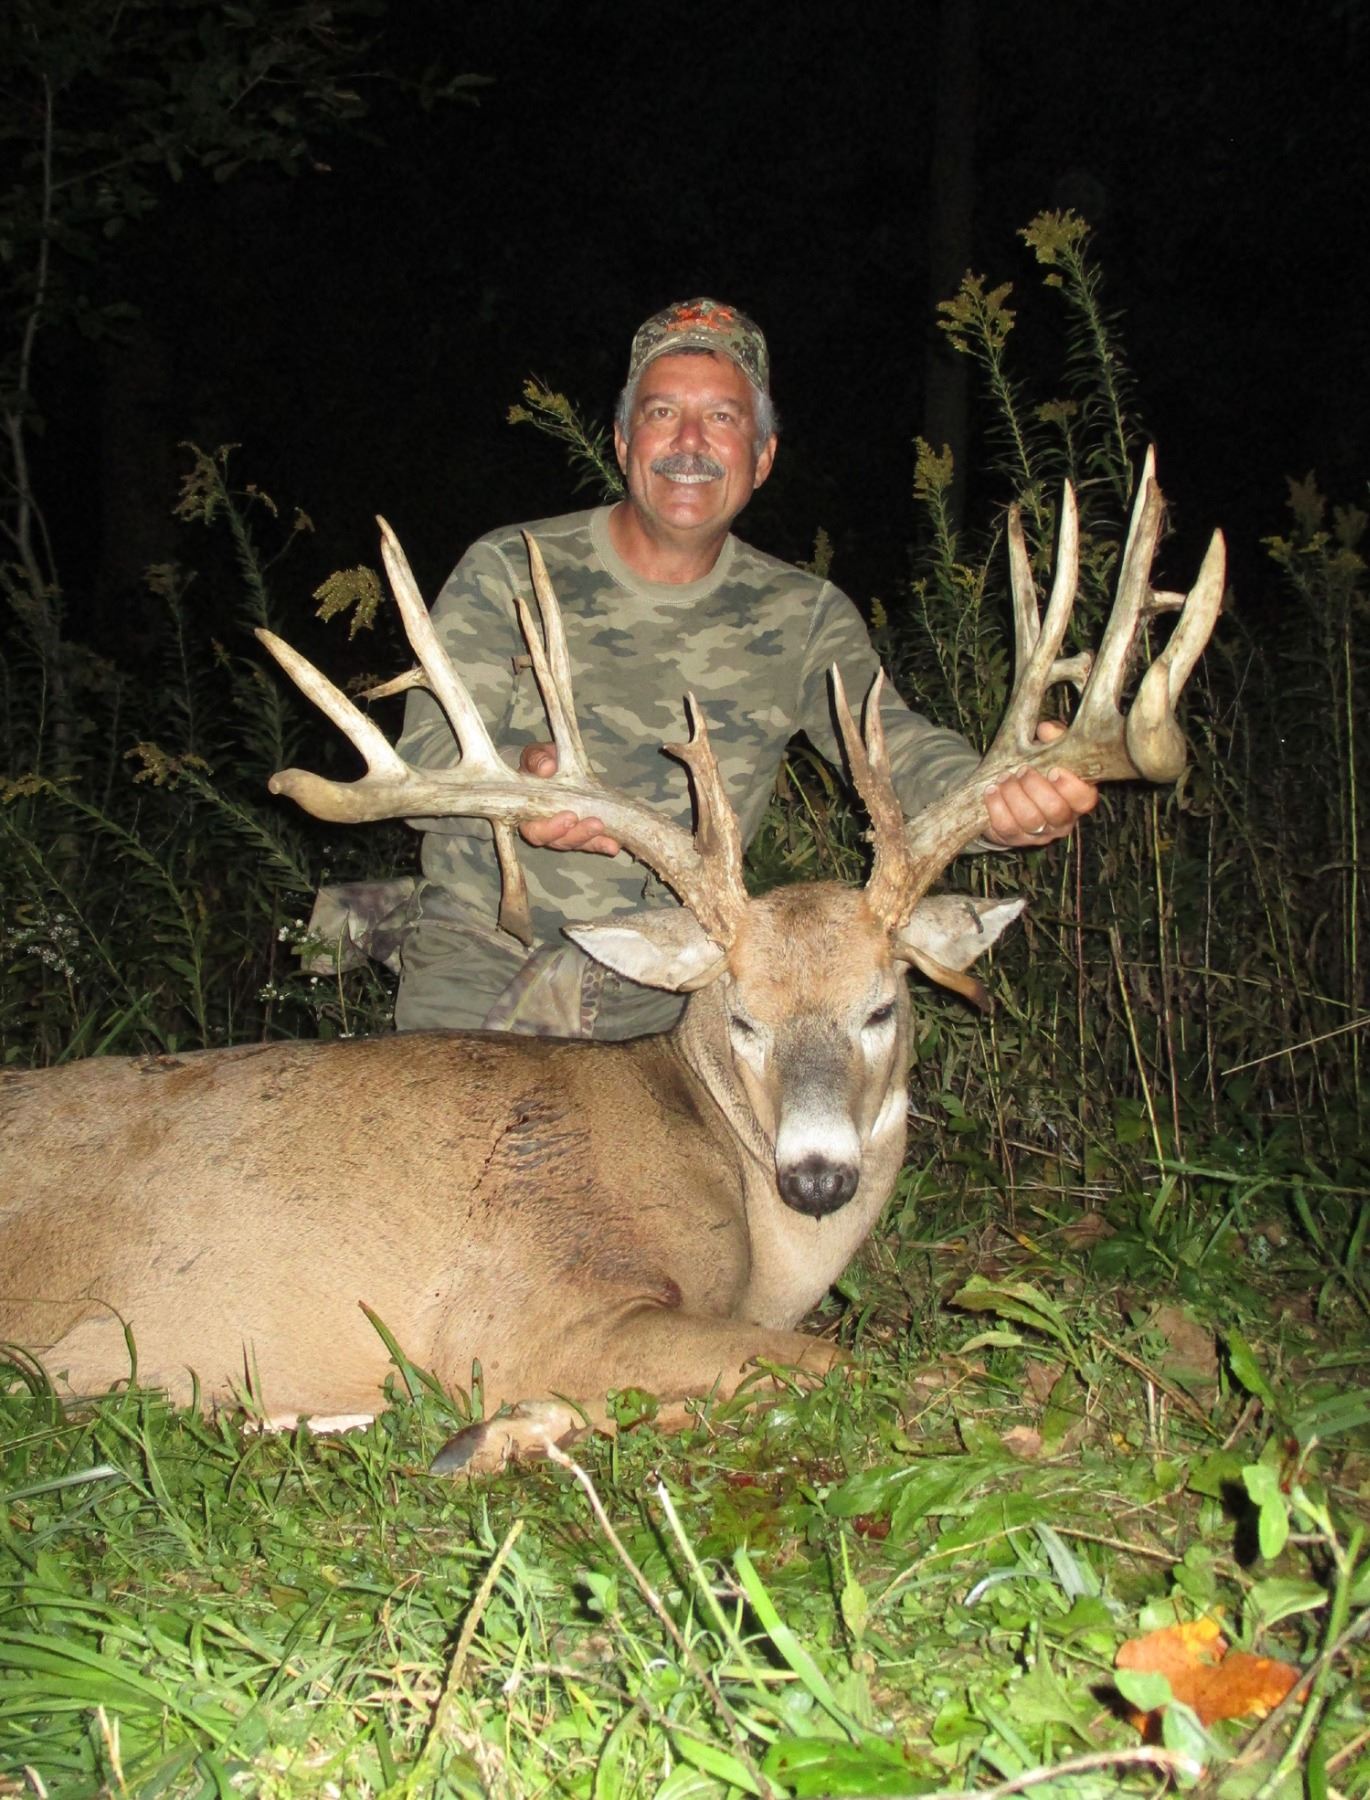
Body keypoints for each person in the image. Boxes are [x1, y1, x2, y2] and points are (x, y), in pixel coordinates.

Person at [391, 297, 1096, 1039]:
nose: (689, 442)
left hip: (680, 991)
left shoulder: (804, 615)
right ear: (624, 440)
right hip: (482, 960)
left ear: (761, 457)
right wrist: (523, 782)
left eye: (722, 418)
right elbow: (424, 765)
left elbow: (893, 748)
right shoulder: (510, 567)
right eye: (662, 413)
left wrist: (1004, 798)